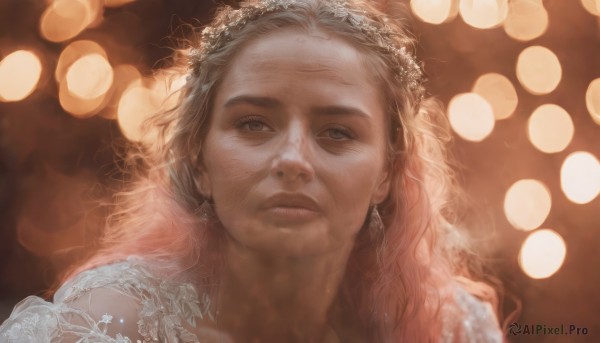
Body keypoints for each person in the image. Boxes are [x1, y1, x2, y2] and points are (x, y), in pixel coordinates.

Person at [0, 0, 505, 341]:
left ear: (386, 174)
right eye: (253, 124)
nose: (292, 160)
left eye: (337, 132)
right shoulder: (113, 323)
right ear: (198, 161)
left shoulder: (455, 328)